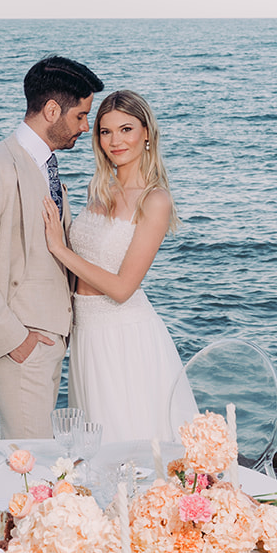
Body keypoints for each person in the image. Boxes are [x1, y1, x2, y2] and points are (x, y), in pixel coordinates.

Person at [0, 55, 104, 439]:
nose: (86, 128)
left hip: (52, 342)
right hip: (22, 345)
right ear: (52, 110)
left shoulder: (45, 166)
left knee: (38, 462)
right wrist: (17, 340)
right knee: (31, 465)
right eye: (81, 116)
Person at [41, 89, 197, 444]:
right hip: (86, 332)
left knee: (128, 442)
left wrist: (58, 248)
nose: (115, 141)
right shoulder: (100, 192)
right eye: (105, 131)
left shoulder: (154, 200)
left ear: (146, 134)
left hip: (125, 337)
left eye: (126, 129)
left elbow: (124, 288)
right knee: (94, 446)